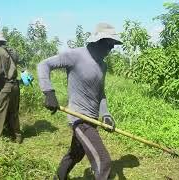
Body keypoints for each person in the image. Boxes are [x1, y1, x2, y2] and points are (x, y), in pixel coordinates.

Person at [37, 23, 122, 180]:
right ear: (98, 41)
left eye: (113, 45)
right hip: (79, 118)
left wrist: (106, 114)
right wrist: (48, 92)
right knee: (103, 162)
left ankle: (58, 177)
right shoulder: (76, 55)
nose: (112, 49)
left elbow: (100, 93)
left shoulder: (102, 65)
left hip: (92, 119)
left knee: (76, 154)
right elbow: (44, 64)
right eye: (109, 44)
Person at [0, 31, 23, 144]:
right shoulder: (11, 51)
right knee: (13, 112)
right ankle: (17, 136)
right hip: (15, 86)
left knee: (0, 111)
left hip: (5, 87)